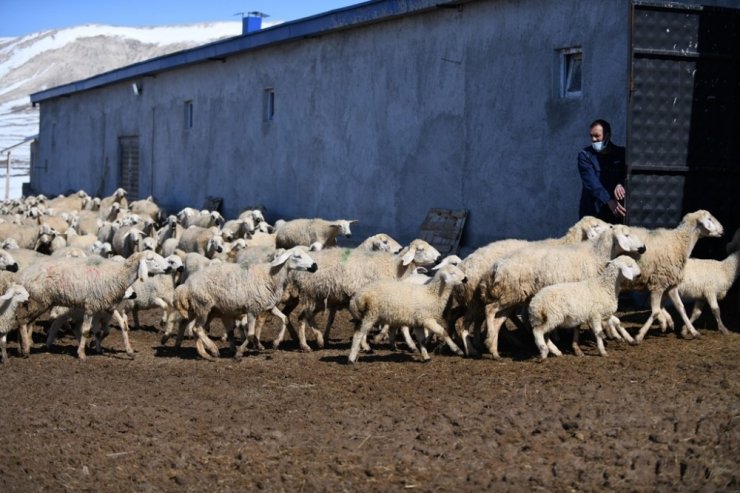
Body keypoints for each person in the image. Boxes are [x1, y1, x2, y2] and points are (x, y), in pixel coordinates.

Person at [577, 119, 627, 223]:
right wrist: (609, 200)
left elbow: (627, 174)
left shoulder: (621, 154)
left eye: (597, 136)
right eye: (591, 136)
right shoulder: (585, 156)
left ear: (607, 136)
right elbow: (592, 183)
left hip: (615, 212)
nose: (594, 139)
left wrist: (621, 184)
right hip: (593, 211)